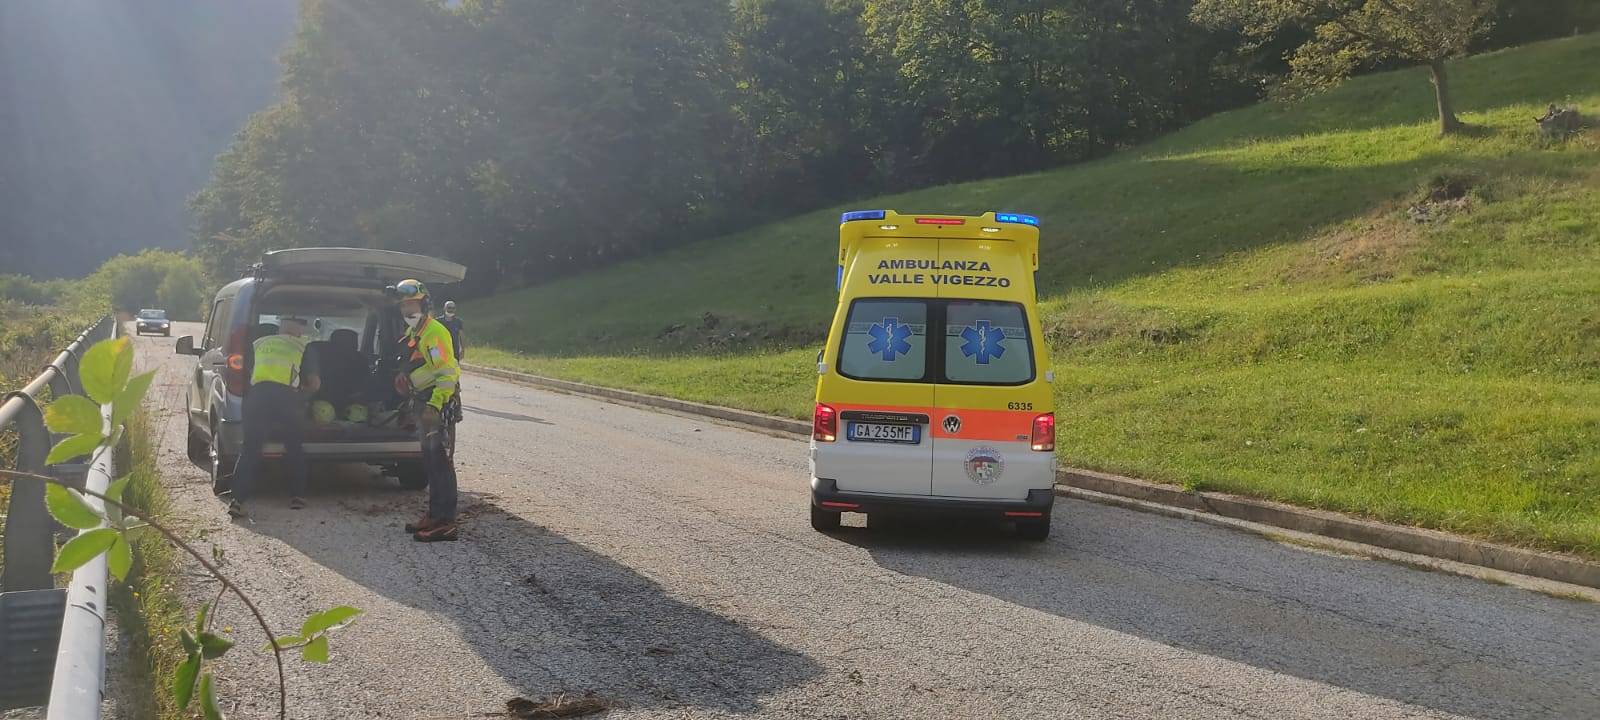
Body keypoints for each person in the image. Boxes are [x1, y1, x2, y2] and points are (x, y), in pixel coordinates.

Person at [391, 279, 462, 542]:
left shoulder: (434, 332)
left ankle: (446, 522)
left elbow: (447, 373)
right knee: (431, 463)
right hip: (423, 401)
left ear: (423, 303)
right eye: (403, 306)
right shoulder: (415, 333)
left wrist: (435, 404)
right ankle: (434, 514)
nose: (407, 310)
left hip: (437, 404)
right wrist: (405, 381)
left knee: (441, 462)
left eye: (411, 304)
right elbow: (420, 366)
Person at [229, 315, 320, 518]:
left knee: (251, 447)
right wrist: (303, 393)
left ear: (281, 328)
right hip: (287, 399)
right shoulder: (303, 347)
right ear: (298, 329)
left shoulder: (259, 343)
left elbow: (250, 371)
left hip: (257, 397)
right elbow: (315, 384)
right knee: (293, 445)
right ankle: (297, 495)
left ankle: (237, 500)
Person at [437, 300, 466, 423]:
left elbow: (461, 336)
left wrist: (463, 349)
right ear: (444, 309)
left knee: (454, 381)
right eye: (449, 309)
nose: (451, 311)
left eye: (452, 309)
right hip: (440, 355)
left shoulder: (458, 322)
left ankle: (457, 409)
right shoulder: (438, 321)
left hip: (453, 355)